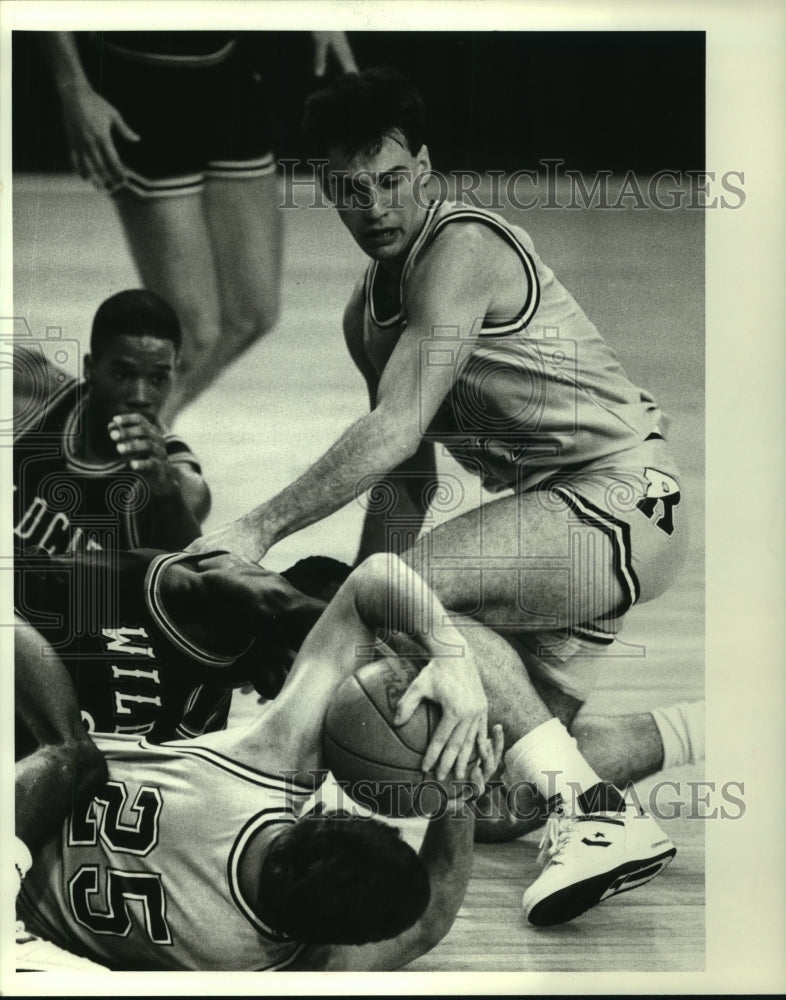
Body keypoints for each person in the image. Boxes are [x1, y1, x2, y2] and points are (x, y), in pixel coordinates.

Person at [188, 69, 693, 923]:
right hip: (571, 528)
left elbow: (391, 431)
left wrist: (257, 529)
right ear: (327, 191)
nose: (376, 206)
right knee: (494, 793)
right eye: (353, 190)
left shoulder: (461, 248)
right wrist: (359, 618)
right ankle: (715, 730)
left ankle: (596, 818)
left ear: (423, 168)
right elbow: (407, 477)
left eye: (392, 181)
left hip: (619, 498)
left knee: (415, 600)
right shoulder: (367, 314)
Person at [16, 553, 504, 972]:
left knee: (71, 754)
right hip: (23, 914)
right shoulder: (266, 966)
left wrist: (454, 660)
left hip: (22, 769)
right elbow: (429, 920)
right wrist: (457, 799)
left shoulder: (269, 764)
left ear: (326, 815)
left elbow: (374, 577)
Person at [42, 31, 358, 422]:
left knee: (252, 314)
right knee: (194, 335)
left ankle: (122, 430)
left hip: (227, 71)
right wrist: (73, 88)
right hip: (140, 79)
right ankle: (119, 437)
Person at [14, 548, 335, 749]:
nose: (305, 661)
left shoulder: (203, 725)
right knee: (72, 751)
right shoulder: (191, 596)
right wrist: (346, 625)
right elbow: (266, 594)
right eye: (308, 639)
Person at [13, 288, 210, 553]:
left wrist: (165, 493)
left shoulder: (182, 485)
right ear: (90, 368)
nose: (140, 397)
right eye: (122, 375)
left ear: (173, 375)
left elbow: (181, 571)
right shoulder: (28, 391)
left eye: (157, 379)